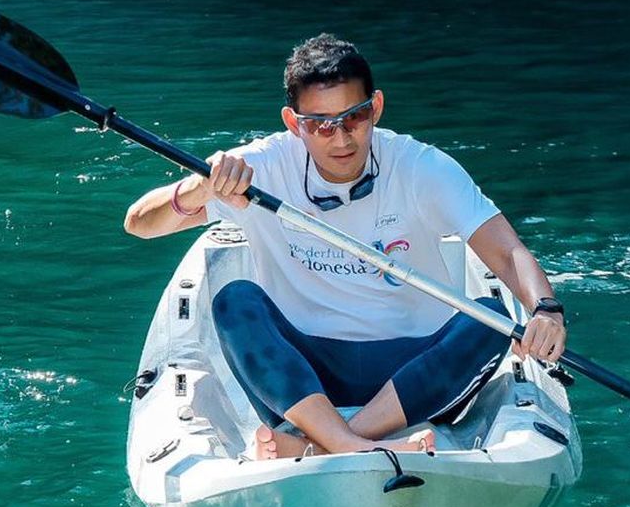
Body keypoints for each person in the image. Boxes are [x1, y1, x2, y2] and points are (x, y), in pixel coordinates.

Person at [124, 34, 566, 460]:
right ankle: (353, 446)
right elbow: (140, 223)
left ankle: (326, 442)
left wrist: (545, 308)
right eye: (320, 125)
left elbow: (507, 250)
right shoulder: (264, 165)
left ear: (375, 107)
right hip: (304, 376)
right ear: (294, 124)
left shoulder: (421, 166)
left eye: (353, 118)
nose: (341, 139)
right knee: (234, 300)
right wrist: (201, 189)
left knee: (493, 319)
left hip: (412, 372)